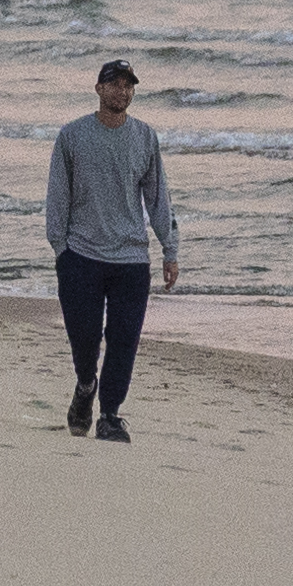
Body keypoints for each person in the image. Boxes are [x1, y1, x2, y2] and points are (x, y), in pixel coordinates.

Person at [43, 58, 179, 442]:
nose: (123, 91)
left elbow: (158, 197)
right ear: (99, 89)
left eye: (128, 85)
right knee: (84, 338)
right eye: (115, 84)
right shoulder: (73, 136)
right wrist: (61, 249)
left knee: (124, 339)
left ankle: (110, 415)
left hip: (131, 259)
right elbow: (58, 196)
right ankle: (86, 385)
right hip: (81, 256)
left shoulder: (145, 137)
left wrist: (170, 249)